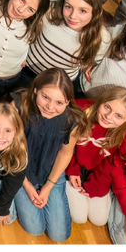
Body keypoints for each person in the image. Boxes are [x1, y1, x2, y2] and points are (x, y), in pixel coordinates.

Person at [13, 68, 86, 241]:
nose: (50, 107)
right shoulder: (18, 106)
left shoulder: (72, 120)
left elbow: (64, 153)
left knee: (60, 235)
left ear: (68, 102)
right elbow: (8, 149)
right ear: (36, 90)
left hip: (51, 171)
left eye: (59, 102)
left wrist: (47, 187)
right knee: (35, 229)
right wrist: (26, 185)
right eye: (45, 97)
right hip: (19, 170)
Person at [65, 88, 126, 228]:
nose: (109, 116)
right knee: (79, 216)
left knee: (99, 219)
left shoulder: (123, 134)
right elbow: (66, 146)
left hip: (97, 172)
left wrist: (96, 186)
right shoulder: (81, 111)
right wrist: (72, 170)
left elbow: (109, 164)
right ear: (101, 101)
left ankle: (109, 194)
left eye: (118, 116)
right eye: (107, 107)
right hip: (71, 165)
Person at [24, 0, 112, 83]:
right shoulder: (49, 10)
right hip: (27, 71)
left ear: (95, 12)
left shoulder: (102, 38)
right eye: (68, 7)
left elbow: (92, 62)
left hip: (57, 83)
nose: (73, 16)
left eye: (83, 11)